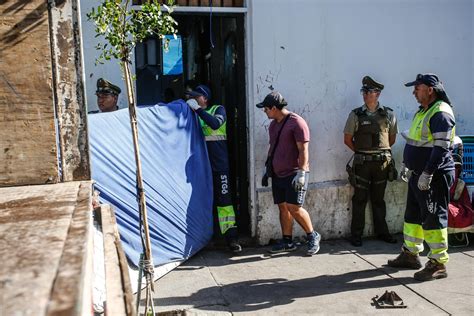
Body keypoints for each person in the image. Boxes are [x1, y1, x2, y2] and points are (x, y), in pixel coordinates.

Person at [388, 73, 455, 281]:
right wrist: (409, 166)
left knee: (433, 218)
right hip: (419, 175)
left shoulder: (441, 113)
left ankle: (438, 263)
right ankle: (410, 254)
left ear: (430, 90)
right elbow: (417, 142)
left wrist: (428, 173)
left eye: (417, 88)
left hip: (433, 176)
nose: (414, 92)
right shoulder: (423, 111)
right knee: (413, 216)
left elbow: (441, 148)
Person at [257, 91, 321, 256]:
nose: (265, 112)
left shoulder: (297, 123)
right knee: (283, 207)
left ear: (274, 108)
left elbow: (303, 149)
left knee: (294, 207)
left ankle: (312, 236)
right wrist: (267, 168)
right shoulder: (273, 125)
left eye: (266, 109)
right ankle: (287, 241)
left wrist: (301, 172)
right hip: (278, 173)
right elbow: (272, 148)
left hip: (294, 173)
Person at [185, 84, 242, 253]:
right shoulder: (192, 113)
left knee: (224, 202)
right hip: (198, 168)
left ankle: (232, 239)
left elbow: (215, 124)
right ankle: (201, 240)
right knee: (201, 202)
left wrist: (198, 110)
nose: (193, 99)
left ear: (205, 98)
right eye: (192, 97)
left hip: (219, 166)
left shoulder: (218, 109)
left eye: (197, 96)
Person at [343, 76, 398, 247]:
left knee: (378, 199)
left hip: (381, 164)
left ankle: (382, 232)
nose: (365, 95)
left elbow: (391, 139)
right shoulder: (356, 115)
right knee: (359, 199)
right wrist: (362, 152)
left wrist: (377, 153)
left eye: (368, 92)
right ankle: (356, 235)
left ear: (377, 94)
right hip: (362, 164)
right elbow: (347, 139)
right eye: (364, 92)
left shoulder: (388, 114)